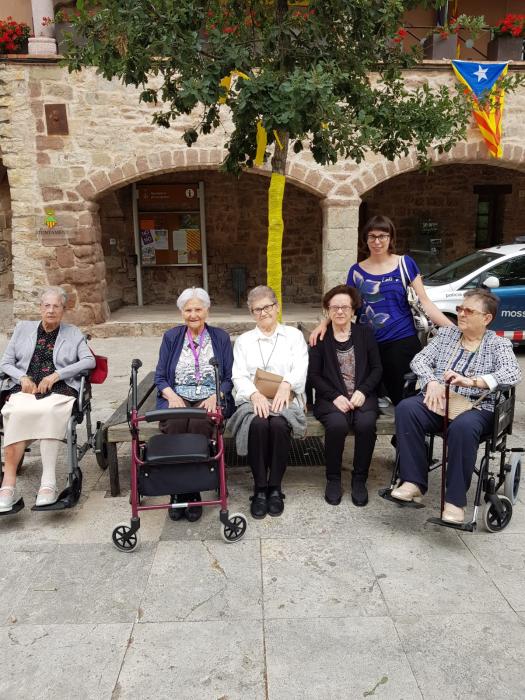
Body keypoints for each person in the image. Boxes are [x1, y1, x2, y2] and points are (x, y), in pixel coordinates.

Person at [391, 289, 521, 524]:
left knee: (463, 427)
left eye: (468, 311)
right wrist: (431, 381)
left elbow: (513, 373)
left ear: (486, 318)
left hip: (478, 408)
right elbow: (420, 360)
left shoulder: (498, 344)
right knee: (406, 409)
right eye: (460, 309)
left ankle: (454, 501)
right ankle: (413, 482)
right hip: (441, 401)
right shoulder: (446, 335)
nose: (461, 313)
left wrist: (473, 381)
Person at [310, 215, 452, 407]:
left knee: (404, 398)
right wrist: (324, 323)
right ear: (366, 239)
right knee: (369, 402)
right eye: (372, 236)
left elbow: (425, 302)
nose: (377, 241)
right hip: (368, 345)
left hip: (401, 341)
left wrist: (454, 330)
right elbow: (346, 303)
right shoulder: (356, 271)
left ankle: (406, 426)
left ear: (390, 238)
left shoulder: (405, 264)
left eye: (382, 236)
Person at [0, 287, 95, 511]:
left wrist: (57, 375)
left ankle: (48, 483)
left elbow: (89, 361)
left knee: (50, 412)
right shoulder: (22, 329)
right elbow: (5, 363)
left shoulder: (73, 333)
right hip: (27, 388)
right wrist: (22, 377)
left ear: (63, 309)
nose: (51, 310)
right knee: (14, 413)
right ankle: (8, 485)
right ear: (40, 308)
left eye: (56, 306)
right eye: (47, 306)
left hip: (61, 388)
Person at [154, 287, 234, 522]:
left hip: (210, 396)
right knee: (176, 423)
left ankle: (194, 490)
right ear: (182, 312)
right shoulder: (171, 337)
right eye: (188, 310)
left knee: (200, 424)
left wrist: (216, 395)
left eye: (198, 309)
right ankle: (178, 491)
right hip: (178, 396)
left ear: (207, 311)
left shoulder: (220, 337)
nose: (193, 315)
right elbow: (160, 377)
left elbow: (229, 377)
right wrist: (171, 396)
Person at [230, 286, 308, 519]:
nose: (263, 312)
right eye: (257, 309)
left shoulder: (293, 336)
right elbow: (238, 375)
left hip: (287, 396)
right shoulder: (244, 341)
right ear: (252, 313)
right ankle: (259, 488)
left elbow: (301, 366)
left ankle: (275, 487)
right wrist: (254, 395)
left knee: (279, 425)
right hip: (253, 397)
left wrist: (287, 384)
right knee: (258, 424)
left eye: (267, 307)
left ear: (277, 307)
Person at [308, 285, 382, 507]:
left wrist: (363, 391)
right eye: (334, 307)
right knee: (337, 425)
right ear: (328, 310)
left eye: (344, 307)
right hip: (330, 398)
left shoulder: (365, 334)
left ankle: (359, 479)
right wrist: (334, 396)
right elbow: (314, 375)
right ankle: (333, 479)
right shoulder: (320, 337)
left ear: (353, 310)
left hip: (362, 395)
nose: (339, 311)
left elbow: (377, 369)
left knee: (366, 424)